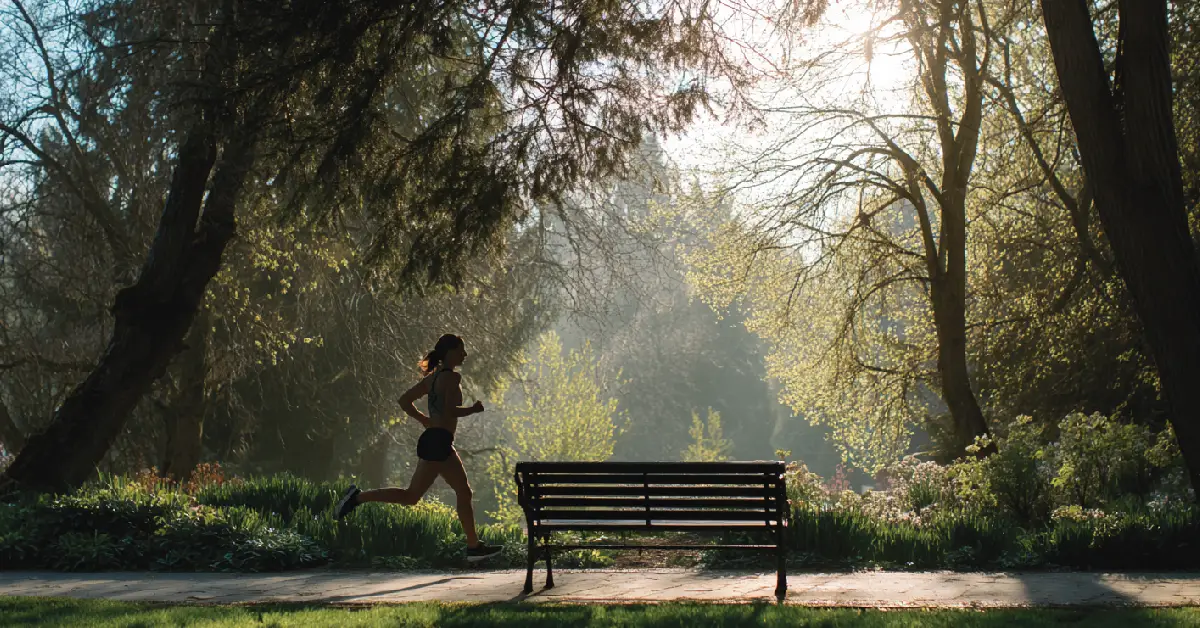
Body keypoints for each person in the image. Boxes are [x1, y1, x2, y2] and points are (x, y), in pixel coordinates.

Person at [334, 333, 503, 561]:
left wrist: (423, 419)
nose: (464, 354)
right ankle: (473, 547)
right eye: (461, 350)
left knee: (413, 496)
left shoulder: (431, 380)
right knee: (461, 492)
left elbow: (404, 400)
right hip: (440, 443)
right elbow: (450, 410)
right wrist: (473, 409)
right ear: (449, 353)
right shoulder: (452, 378)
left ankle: (358, 497)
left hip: (434, 440)